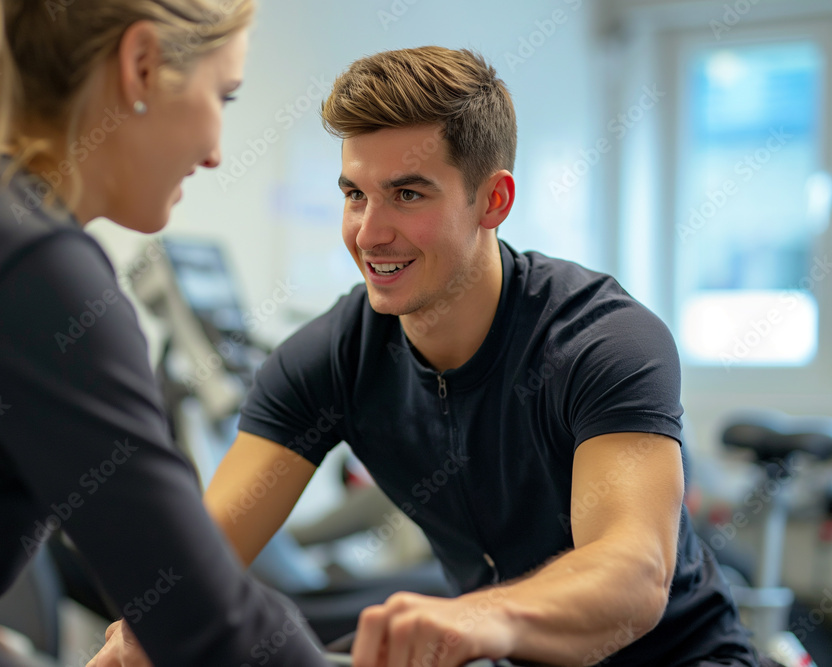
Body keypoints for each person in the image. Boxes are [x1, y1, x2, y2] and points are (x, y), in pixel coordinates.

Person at [192, 47, 767, 666]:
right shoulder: (331, 358)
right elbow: (200, 556)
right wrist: (144, 628)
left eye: (407, 194)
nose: (369, 232)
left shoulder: (602, 342)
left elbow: (633, 573)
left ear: (493, 201)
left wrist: (474, 618)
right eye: (355, 194)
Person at [0, 1, 329, 666]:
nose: (216, 154)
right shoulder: (34, 268)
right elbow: (215, 631)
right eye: (224, 96)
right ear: (142, 66)